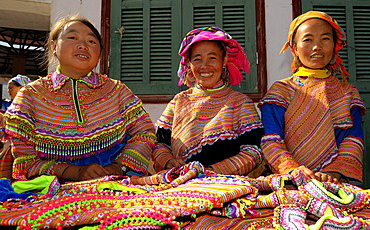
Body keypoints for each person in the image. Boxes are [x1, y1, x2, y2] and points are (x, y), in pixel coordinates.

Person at [4, 15, 156, 181]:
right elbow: (26, 162)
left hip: (119, 181)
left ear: (99, 53)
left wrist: (118, 167)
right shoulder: (30, 97)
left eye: (91, 41)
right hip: (53, 189)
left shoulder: (117, 91)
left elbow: (144, 133)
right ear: (54, 47)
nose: (83, 45)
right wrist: (73, 172)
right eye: (72, 37)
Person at [258, 11, 366, 185]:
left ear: (335, 46)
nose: (317, 47)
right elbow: (271, 139)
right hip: (291, 182)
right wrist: (293, 169)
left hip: (337, 182)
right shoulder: (281, 91)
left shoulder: (347, 93)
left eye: (325, 39)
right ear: (294, 48)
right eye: (307, 39)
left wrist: (334, 171)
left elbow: (353, 139)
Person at [153, 27, 264, 175]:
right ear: (189, 65)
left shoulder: (241, 103)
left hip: (226, 185)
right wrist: (168, 161)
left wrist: (211, 172)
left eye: (212, 58)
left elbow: (253, 151)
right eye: (197, 59)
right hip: (181, 182)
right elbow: (160, 144)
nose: (204, 66)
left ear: (224, 60)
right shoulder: (178, 102)